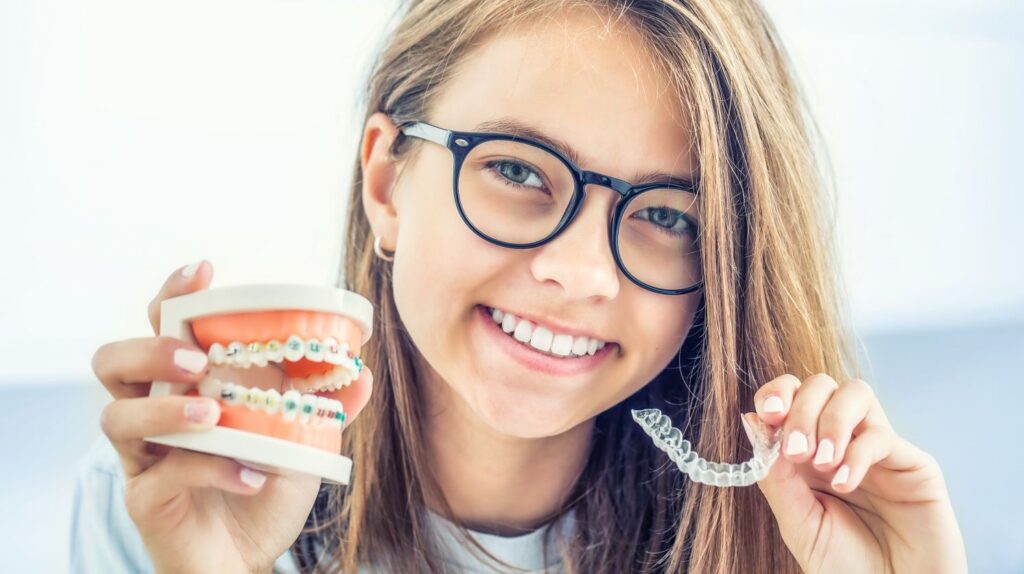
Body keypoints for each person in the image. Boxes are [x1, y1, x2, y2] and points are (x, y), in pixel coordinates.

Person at [73, 0, 968, 572]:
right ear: (386, 185)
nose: (579, 274)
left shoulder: (786, 540)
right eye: (517, 168)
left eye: (668, 216)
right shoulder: (167, 498)